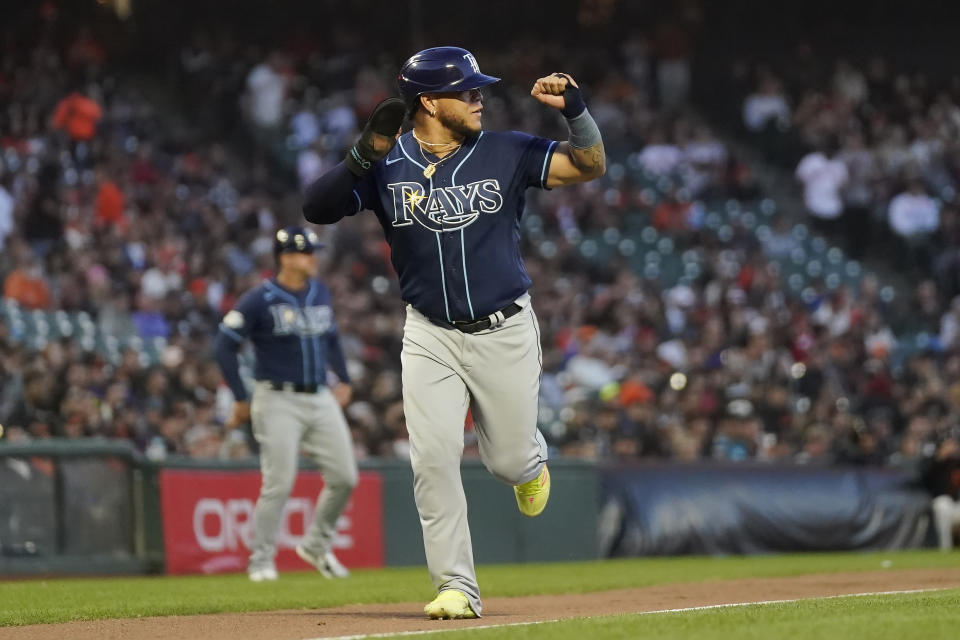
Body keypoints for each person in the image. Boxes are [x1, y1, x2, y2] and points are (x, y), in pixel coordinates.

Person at [302, 46, 605, 619]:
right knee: (433, 459)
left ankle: (531, 462)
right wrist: (362, 156)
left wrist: (577, 113)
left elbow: (588, 165)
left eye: (478, 89)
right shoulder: (388, 163)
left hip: (504, 329)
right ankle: (457, 586)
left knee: (507, 463)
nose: (478, 98)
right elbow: (316, 208)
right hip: (429, 334)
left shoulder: (506, 150)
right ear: (428, 103)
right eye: (465, 91)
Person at [212, 225, 357, 582]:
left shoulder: (319, 291)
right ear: (288, 258)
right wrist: (241, 398)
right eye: (307, 252)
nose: (314, 258)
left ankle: (317, 545)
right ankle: (261, 561)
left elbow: (333, 339)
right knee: (279, 481)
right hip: (276, 398)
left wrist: (345, 380)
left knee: (345, 477)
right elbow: (223, 344)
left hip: (319, 396)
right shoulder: (259, 298)